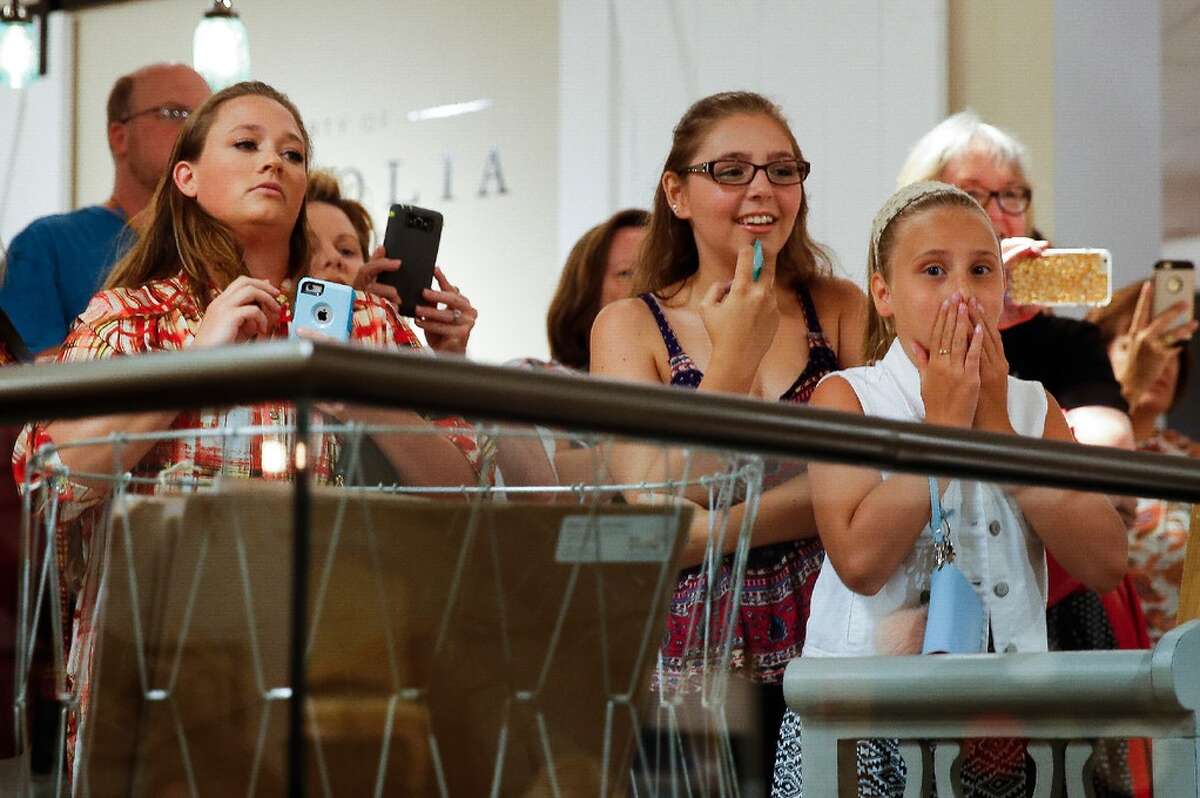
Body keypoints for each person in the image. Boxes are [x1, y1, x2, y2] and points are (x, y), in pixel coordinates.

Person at [13, 81, 490, 779]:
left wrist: (360, 399)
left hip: (335, 661)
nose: (275, 162)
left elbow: (466, 492)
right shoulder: (131, 318)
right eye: (247, 145)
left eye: (293, 153)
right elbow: (50, 479)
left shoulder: (367, 325)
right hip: (159, 662)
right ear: (188, 178)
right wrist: (193, 363)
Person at [771, 181, 1126, 797]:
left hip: (1003, 713)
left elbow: (1104, 561)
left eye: (981, 270)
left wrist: (992, 424)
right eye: (933, 271)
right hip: (867, 714)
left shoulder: (1029, 404)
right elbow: (859, 562)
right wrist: (941, 428)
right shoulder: (848, 396)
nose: (961, 292)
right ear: (884, 294)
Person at [591, 91, 867, 690]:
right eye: (731, 172)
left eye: (783, 170)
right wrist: (735, 361)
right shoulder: (630, 325)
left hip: (845, 628)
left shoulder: (840, 307)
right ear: (676, 194)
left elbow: (881, 478)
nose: (762, 189)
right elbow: (652, 504)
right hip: (695, 661)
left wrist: (712, 529)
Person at [0, 63, 212, 353]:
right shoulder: (48, 244)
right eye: (174, 113)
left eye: (204, 119)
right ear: (119, 136)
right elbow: (34, 376)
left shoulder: (215, 248)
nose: (194, 132)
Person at [1088, 280, 1198, 642]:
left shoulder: (1190, 459)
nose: (1160, 359)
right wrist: (1126, 395)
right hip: (1099, 667)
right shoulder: (1071, 439)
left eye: (1172, 345)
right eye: (1139, 343)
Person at [305, 169, 477, 354]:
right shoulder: (272, 339)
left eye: (347, 250)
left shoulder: (411, 354)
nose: (333, 258)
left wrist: (449, 357)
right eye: (309, 248)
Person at [546, 208, 649, 371]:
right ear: (585, 295)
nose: (651, 285)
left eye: (663, 272)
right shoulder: (541, 382)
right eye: (626, 273)